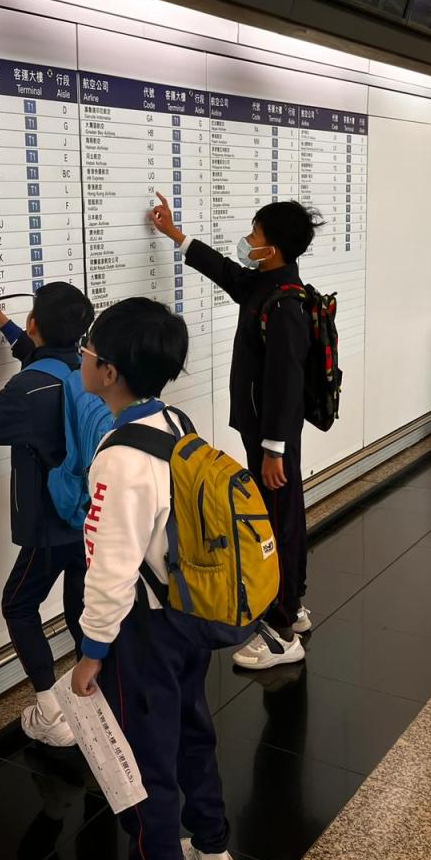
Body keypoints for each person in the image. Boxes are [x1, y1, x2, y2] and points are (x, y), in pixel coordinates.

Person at [71, 296, 242, 860]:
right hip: (188, 611)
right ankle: (215, 858)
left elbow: (110, 569)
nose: (81, 356)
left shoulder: (119, 458)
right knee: (193, 735)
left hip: (144, 634)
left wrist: (93, 650)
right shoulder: (175, 422)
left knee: (144, 766)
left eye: (87, 349)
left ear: (108, 372)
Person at [149, 192, 320, 670]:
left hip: (272, 437)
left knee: (276, 524)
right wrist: (175, 235)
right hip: (266, 433)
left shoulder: (285, 305)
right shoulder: (267, 285)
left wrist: (273, 450)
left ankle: (280, 632)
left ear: (273, 248)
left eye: (255, 234)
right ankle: (293, 606)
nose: (247, 240)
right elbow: (225, 271)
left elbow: (286, 383)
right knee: (284, 517)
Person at [0, 281, 95, 746]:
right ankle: (94, 694)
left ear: (34, 322)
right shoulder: (86, 368)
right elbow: (38, 355)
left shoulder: (29, 388)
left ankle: (51, 710)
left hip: (49, 523)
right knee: (79, 606)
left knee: (18, 603)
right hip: (89, 514)